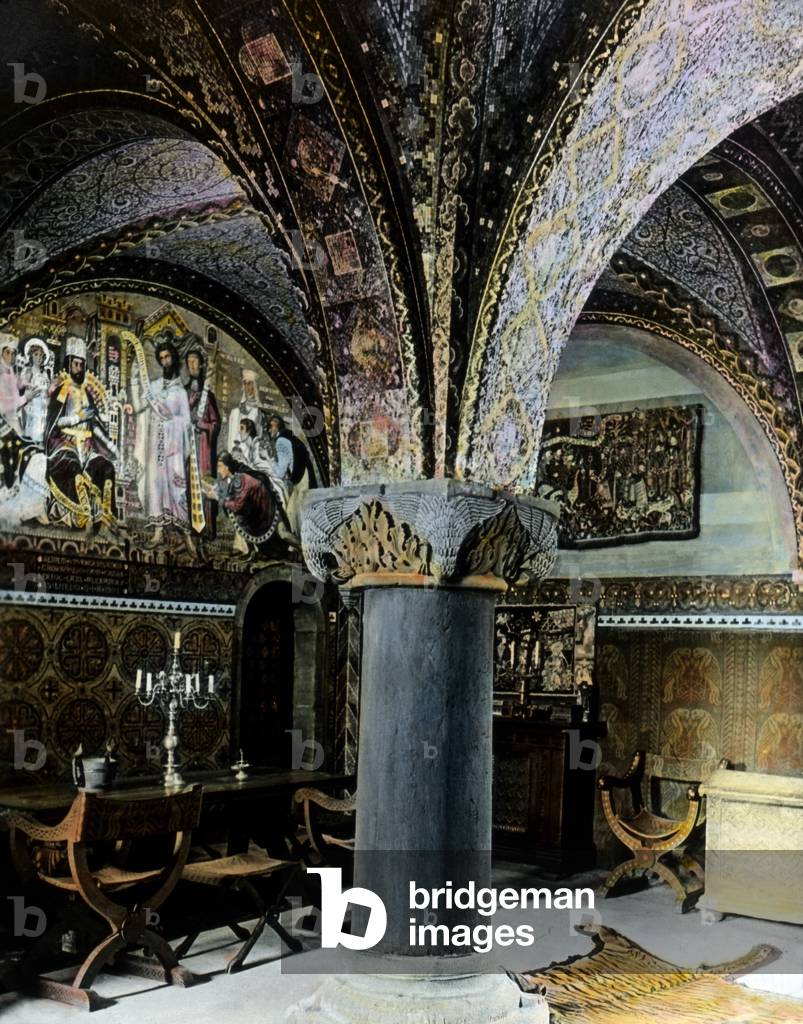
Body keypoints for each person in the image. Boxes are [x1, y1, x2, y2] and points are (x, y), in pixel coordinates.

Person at [127, 336, 197, 552]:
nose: (165, 361)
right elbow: (143, 406)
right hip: (156, 444)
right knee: (156, 485)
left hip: (174, 448)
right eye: (161, 358)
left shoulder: (180, 392)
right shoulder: (155, 387)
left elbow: (186, 423)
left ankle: (187, 537)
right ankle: (158, 531)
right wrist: (133, 406)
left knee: (178, 489)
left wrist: (171, 421)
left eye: (168, 357)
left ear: (174, 360)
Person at [44, 336, 117, 530]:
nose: (80, 368)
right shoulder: (63, 390)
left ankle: (102, 519)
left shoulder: (87, 394)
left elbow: (94, 425)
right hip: (65, 444)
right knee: (74, 469)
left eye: (82, 364)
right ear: (68, 364)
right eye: (76, 364)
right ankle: (80, 518)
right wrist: (78, 418)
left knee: (107, 468)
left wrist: (110, 445)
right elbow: (55, 422)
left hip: (87, 446)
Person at [203, 451, 279, 559]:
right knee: (235, 512)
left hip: (263, 513)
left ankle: (253, 551)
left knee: (238, 516)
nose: (218, 470)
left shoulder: (240, 479)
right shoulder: (234, 477)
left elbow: (237, 506)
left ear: (227, 466)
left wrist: (216, 498)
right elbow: (228, 494)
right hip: (254, 508)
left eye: (220, 466)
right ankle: (251, 550)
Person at [184, 343, 220, 539]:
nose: (192, 365)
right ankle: (191, 528)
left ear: (201, 365)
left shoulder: (209, 397)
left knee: (205, 484)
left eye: (195, 362)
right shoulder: (184, 393)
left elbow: (215, 423)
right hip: (189, 447)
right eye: (189, 362)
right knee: (189, 485)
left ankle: (208, 528)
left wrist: (204, 426)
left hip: (204, 447)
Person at [20, 337, 53, 444]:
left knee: (41, 431)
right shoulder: (28, 371)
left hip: (43, 407)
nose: (38, 358)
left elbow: (48, 391)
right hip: (32, 406)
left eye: (41, 355)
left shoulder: (45, 374)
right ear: (31, 355)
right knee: (31, 431)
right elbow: (21, 389)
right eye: (36, 355)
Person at [226, 368, 266, 450]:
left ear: (255, 386)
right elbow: (231, 437)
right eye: (245, 383)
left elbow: (258, 437)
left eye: (250, 384)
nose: (247, 387)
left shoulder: (259, 413)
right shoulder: (235, 412)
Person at [0, 335, 26, 435]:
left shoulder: (12, 373)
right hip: (3, 420)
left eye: (13, 353)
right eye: (7, 352)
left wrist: (22, 386)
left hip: (13, 419)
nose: (10, 356)